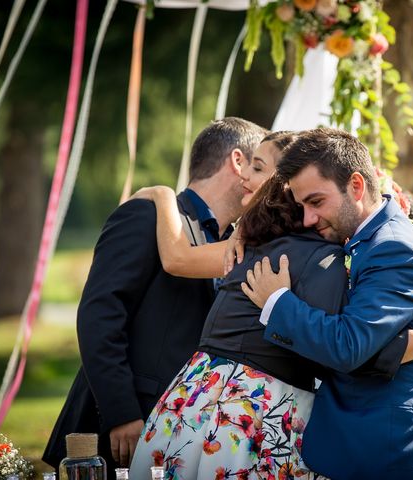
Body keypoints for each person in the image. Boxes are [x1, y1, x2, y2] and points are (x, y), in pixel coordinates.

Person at [128, 173, 413, 480]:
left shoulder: (252, 246)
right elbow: (351, 347)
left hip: (193, 395)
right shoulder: (321, 260)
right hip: (249, 408)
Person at [42, 117, 268, 477]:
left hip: (186, 432)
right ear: (238, 162)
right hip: (125, 427)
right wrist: (122, 413)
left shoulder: (236, 243)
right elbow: (99, 317)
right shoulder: (147, 216)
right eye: (259, 165)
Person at [241, 128, 413, 479]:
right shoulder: (365, 237)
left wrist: (278, 302)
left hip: (386, 454)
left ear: (356, 186)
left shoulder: (392, 248)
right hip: (360, 448)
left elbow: (348, 345)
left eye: (316, 202)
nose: (308, 218)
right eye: (302, 206)